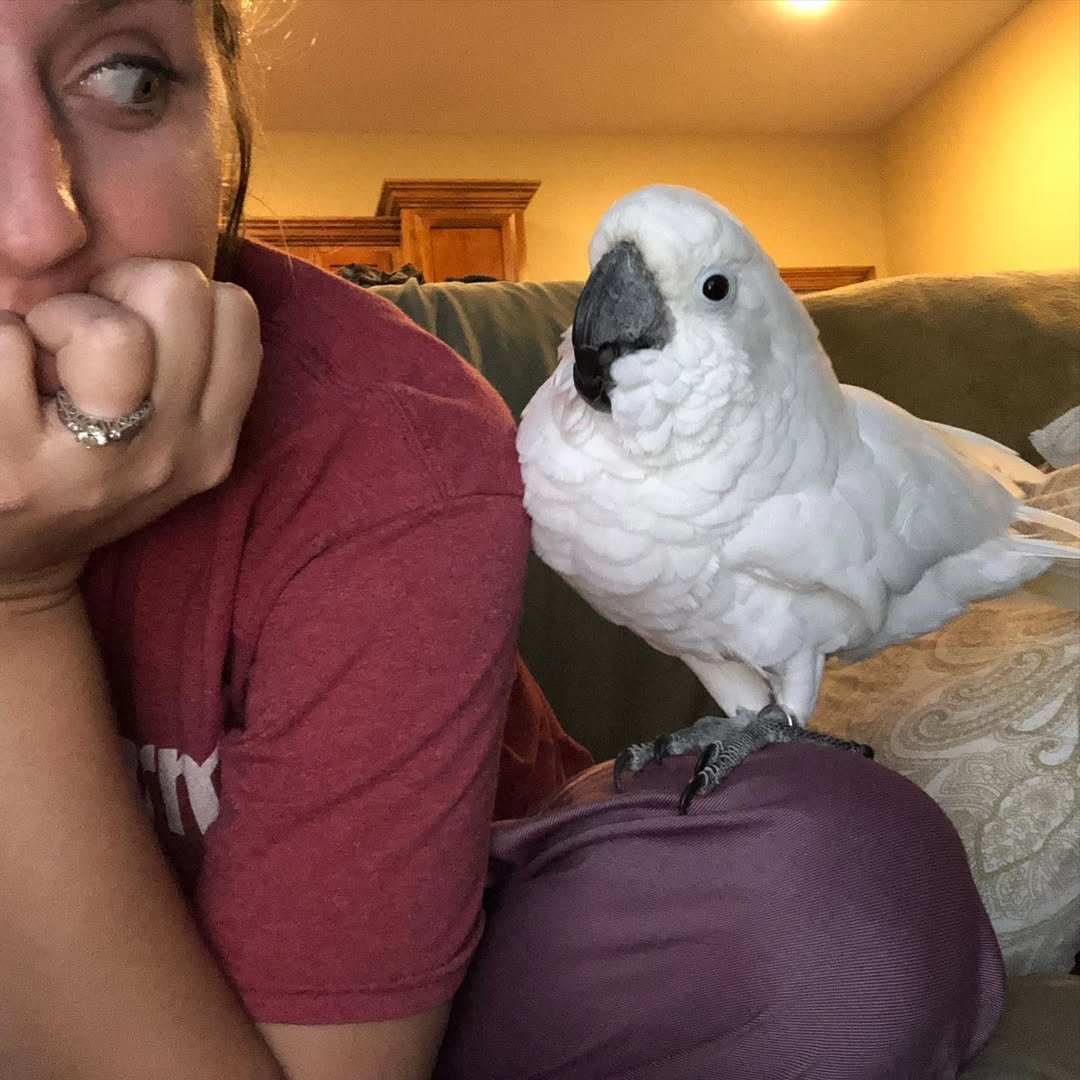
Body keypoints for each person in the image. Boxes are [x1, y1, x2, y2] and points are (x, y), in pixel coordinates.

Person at [0, 1, 1004, 1078]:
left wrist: (18, 605)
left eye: (127, 77)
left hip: (463, 969)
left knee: (837, 894)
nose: (37, 224)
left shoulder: (396, 454)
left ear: (226, 109)